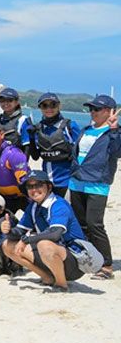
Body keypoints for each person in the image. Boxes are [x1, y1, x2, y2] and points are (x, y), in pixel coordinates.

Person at [1, 171, 101, 290]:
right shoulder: (33, 206)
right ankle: (47, 277)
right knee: (7, 245)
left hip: (75, 261)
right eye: (30, 186)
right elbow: (19, 232)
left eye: (38, 185)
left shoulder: (59, 204)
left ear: (48, 187)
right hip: (51, 255)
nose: (34, 190)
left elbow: (55, 234)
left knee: (44, 245)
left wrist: (27, 239)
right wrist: (9, 231)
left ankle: (61, 284)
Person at [69, 95, 121, 279]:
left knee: (94, 224)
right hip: (76, 182)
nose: (92, 112)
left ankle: (106, 265)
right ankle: (89, 259)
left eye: (97, 109)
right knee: (81, 224)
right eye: (91, 109)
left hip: (97, 184)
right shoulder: (86, 129)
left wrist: (114, 128)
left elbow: (117, 152)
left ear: (109, 112)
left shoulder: (113, 133)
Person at [28, 92, 80, 196]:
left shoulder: (69, 127)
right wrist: (31, 138)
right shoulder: (38, 129)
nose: (49, 108)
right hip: (46, 182)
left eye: (53, 105)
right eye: (44, 105)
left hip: (67, 181)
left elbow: (80, 152)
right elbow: (35, 157)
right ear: (40, 108)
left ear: (59, 106)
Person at [0, 87, 32, 153]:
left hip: (15, 161)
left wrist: (23, 163)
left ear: (17, 102)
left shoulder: (22, 120)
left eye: (9, 100)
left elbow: (27, 147)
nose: (5, 103)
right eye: (2, 100)